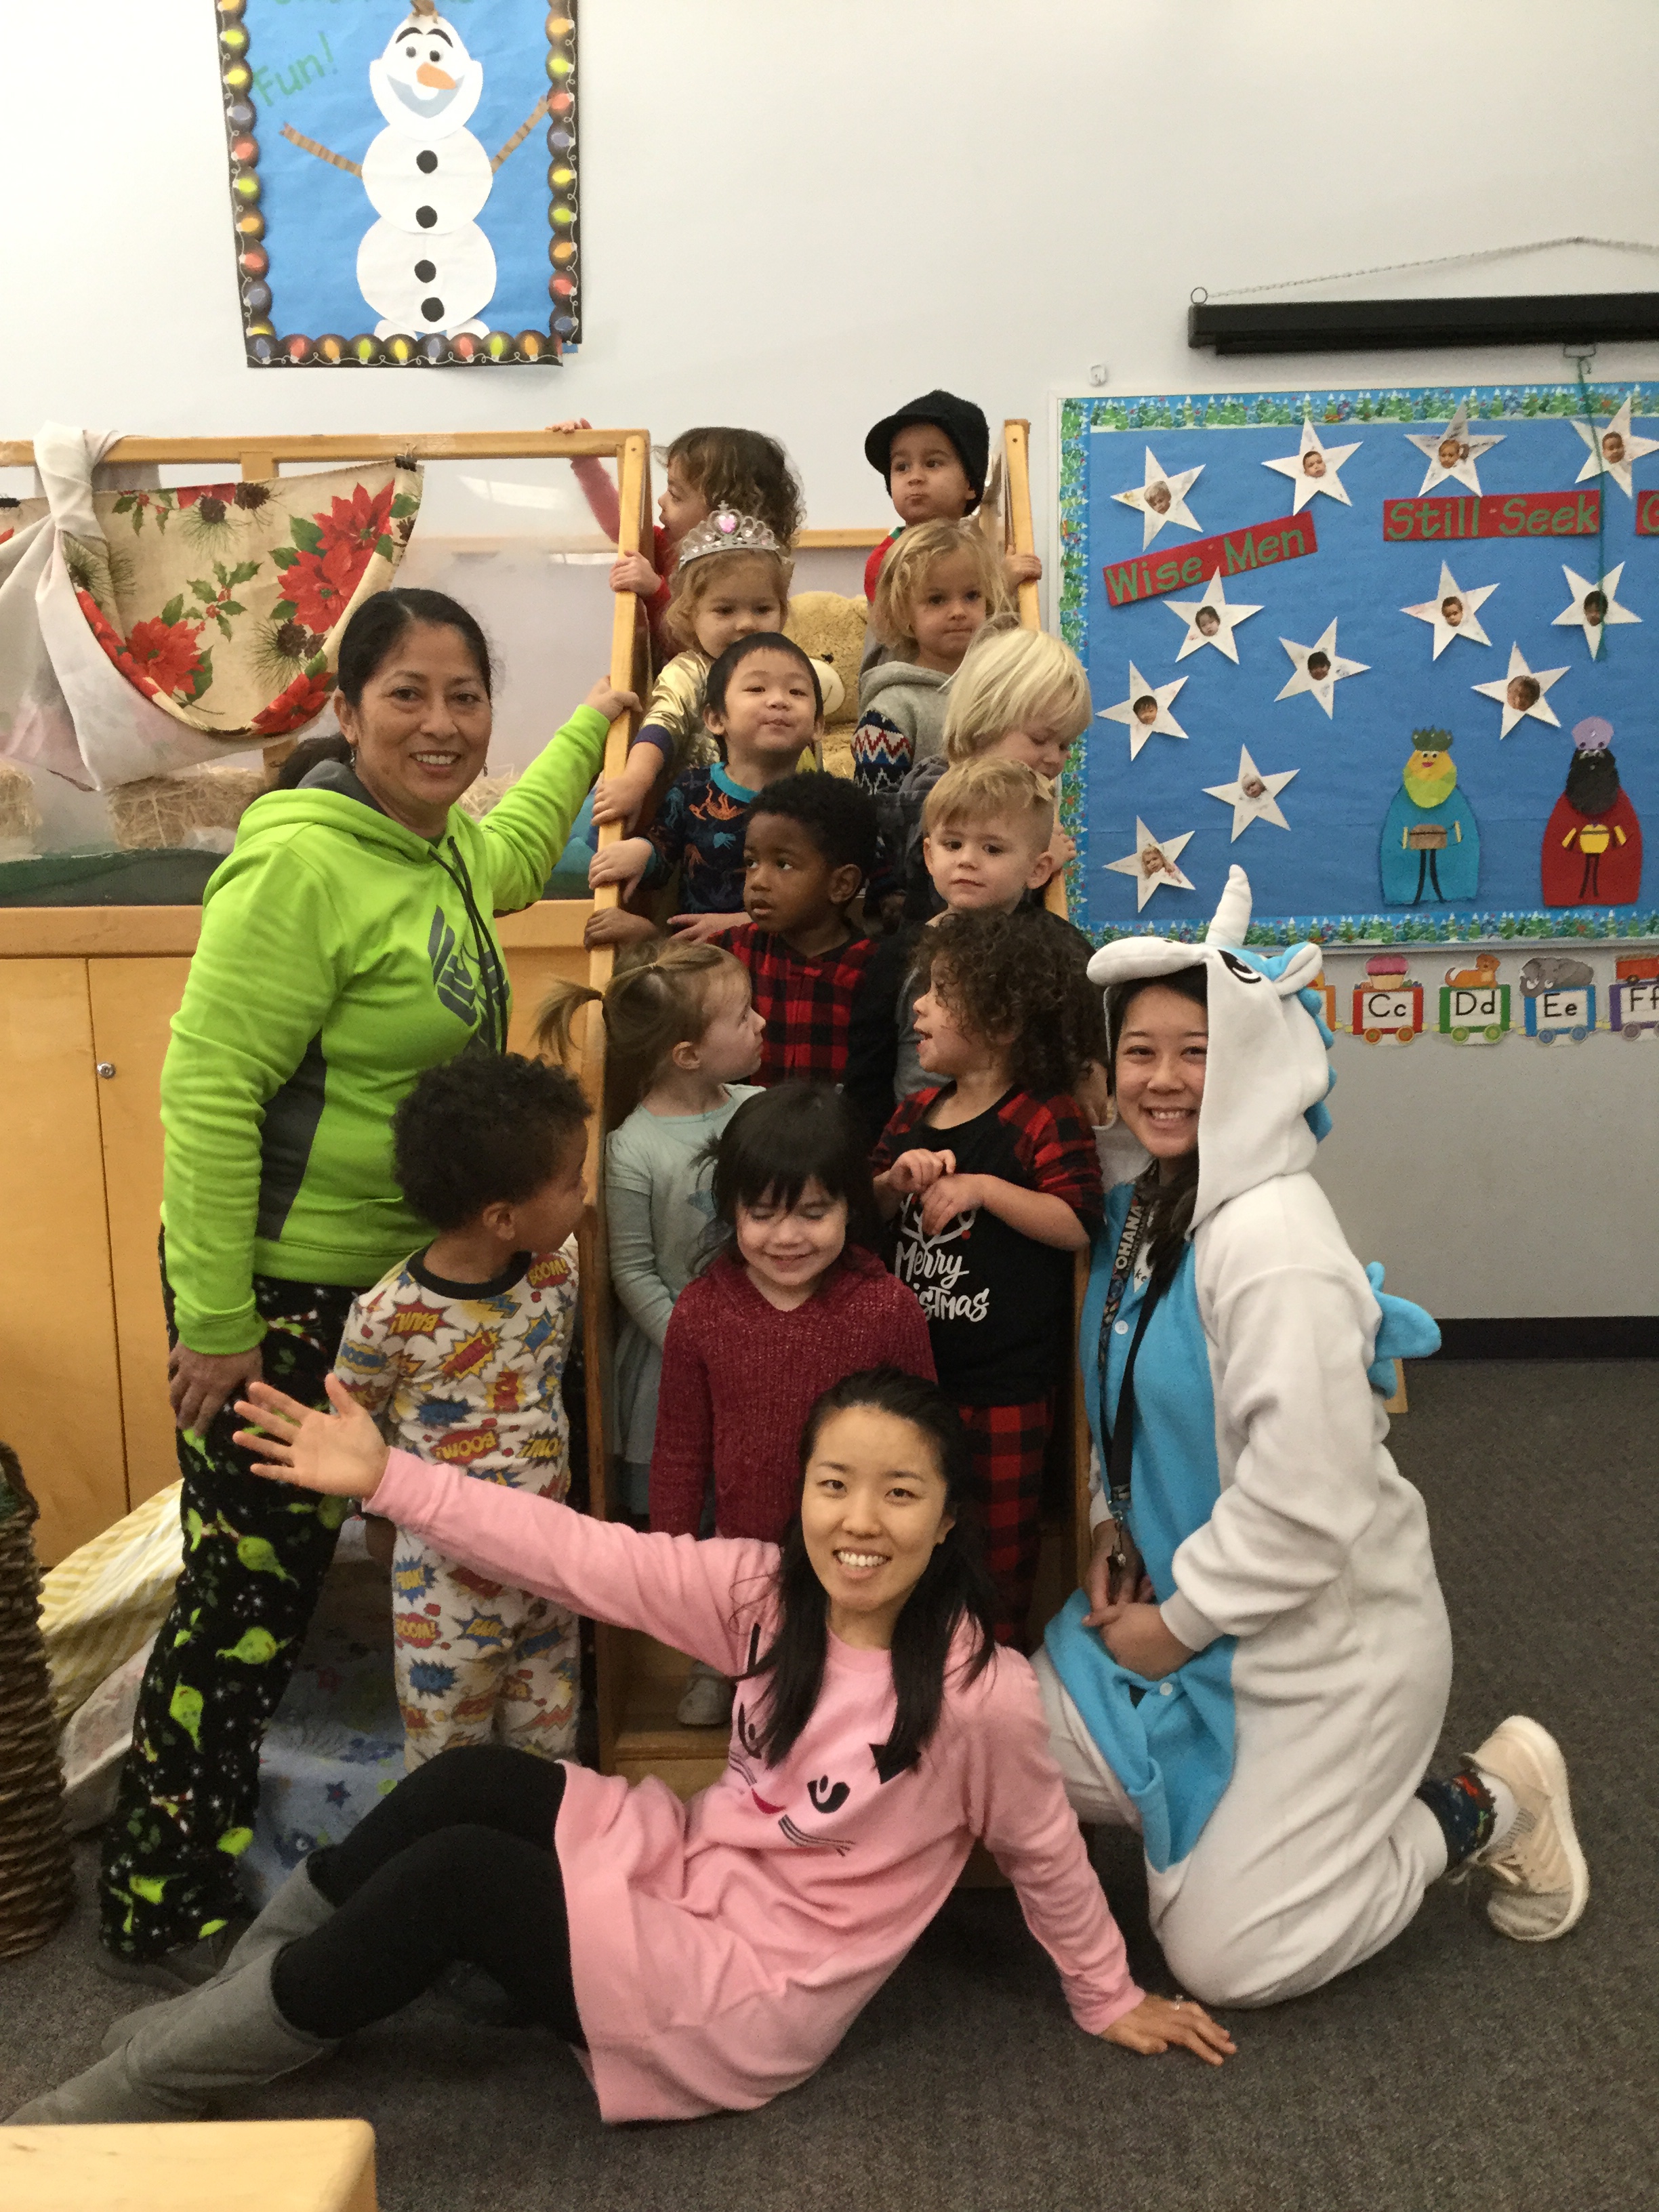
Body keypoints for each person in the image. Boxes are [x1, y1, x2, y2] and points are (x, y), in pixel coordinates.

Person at [9, 1368, 1233, 2127]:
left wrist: (1109, 1994)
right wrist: (389, 1478)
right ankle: (216, 2026)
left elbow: (1045, 1852)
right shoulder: (764, 1593)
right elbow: (577, 1554)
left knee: (457, 1881)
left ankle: (138, 2088)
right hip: (687, 1872)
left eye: (900, 1493)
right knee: (469, 1779)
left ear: (948, 1516)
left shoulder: (981, 1696)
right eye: (834, 1484)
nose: (860, 1521)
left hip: (745, 1996)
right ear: (802, 1491)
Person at [97, 587, 632, 1991]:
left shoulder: (435, 844)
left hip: (401, 1293)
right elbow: (209, 1093)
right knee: (248, 1599)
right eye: (407, 693)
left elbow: (516, 843)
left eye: (467, 696)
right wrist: (220, 1326)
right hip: (278, 1298)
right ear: (346, 710)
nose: (441, 723)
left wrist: (597, 720)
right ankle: (157, 1893)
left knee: (425, 1566)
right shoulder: (301, 865)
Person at [1034, 866, 1589, 2013]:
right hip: (1189, 1607)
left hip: (1321, 1647)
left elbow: (1304, 1504)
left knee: (1230, 1958)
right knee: (998, 1741)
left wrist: (1172, 1627)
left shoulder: (1273, 1242)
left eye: (1198, 1051)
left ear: (1253, 1059)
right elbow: (1118, 1390)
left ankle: (1487, 1801)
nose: (1163, 1079)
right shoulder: (1155, 1201)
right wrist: (1108, 1519)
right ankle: (1237, 1813)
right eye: (1140, 1052)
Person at [651, 1086, 936, 1721]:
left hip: (854, 1553)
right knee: (744, 1681)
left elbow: (925, 1445)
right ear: (730, 1209)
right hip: (740, 1560)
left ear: (850, 1206)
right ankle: (722, 1660)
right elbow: (679, 1451)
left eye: (812, 1212)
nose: (786, 1237)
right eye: (762, 1213)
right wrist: (670, 1562)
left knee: (836, 1701)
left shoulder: (887, 1308)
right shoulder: (701, 1311)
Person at [334, 1052, 587, 1765]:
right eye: (573, 1183)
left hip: (548, 1565)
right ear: (503, 1218)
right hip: (444, 1588)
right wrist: (377, 1519)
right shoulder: (387, 1315)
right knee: (448, 1764)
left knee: (553, 1759)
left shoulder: (558, 1270)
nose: (585, 1196)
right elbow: (353, 1429)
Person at [872, 910, 1103, 1642]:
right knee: (909, 1544)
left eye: (940, 992)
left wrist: (984, 1190)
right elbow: (863, 1209)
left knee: (996, 1562)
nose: (918, 1007)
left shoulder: (1041, 1116)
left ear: (1001, 1024)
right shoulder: (914, 1112)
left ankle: (990, 1670)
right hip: (912, 1380)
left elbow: (1077, 1221)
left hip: (1005, 1390)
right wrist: (893, 1182)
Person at [537, 943, 763, 1523]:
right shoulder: (632, 1148)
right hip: (674, 1360)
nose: (762, 1023)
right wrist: (696, 1349)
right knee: (680, 1516)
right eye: (743, 1016)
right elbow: (634, 1272)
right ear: (687, 1055)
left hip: (761, 1339)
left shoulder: (759, 1109)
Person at [585, 509, 840, 853]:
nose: (746, 623)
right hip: (698, 831)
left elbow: (811, 740)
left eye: (762, 609)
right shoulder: (689, 672)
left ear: (782, 611)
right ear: (690, 615)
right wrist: (634, 781)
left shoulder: (789, 666)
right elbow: (661, 727)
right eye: (725, 611)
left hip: (783, 826)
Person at [588, 632, 823, 943]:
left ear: (817, 726)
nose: (779, 700)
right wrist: (643, 852)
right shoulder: (694, 787)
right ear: (715, 718)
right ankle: (656, 940)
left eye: (797, 692)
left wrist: (739, 926)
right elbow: (663, 852)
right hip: (696, 954)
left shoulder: (821, 803)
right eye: (757, 689)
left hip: (781, 951)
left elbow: (828, 898)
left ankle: (654, 941)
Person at [722, 772, 905, 1128]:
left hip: (839, 1145)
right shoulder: (733, 952)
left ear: (842, 884)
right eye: (752, 862)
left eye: (783, 864)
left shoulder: (875, 969)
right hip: (749, 1142)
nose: (758, 881)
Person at [879, 622, 1092, 923]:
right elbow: (957, 897)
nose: (1054, 759)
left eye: (1064, 745)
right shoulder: (941, 794)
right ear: (983, 726)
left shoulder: (1026, 799)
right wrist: (1032, 870)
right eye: (1039, 740)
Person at [556, 419, 806, 662]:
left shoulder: (750, 569)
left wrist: (655, 589)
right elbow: (621, 526)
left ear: (721, 513)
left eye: (675, 495)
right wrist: (585, 461)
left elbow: (703, 642)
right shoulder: (667, 545)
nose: (661, 500)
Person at [852, 521, 1008, 799]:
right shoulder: (891, 709)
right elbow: (875, 811)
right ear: (903, 613)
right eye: (937, 600)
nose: (958, 611)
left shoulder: (1002, 690)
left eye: (972, 596)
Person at [861, 387, 1040, 615]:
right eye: (901, 467)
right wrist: (1001, 586)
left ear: (970, 485)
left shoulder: (976, 551)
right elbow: (916, 628)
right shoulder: (887, 561)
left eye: (932, 463)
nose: (914, 477)